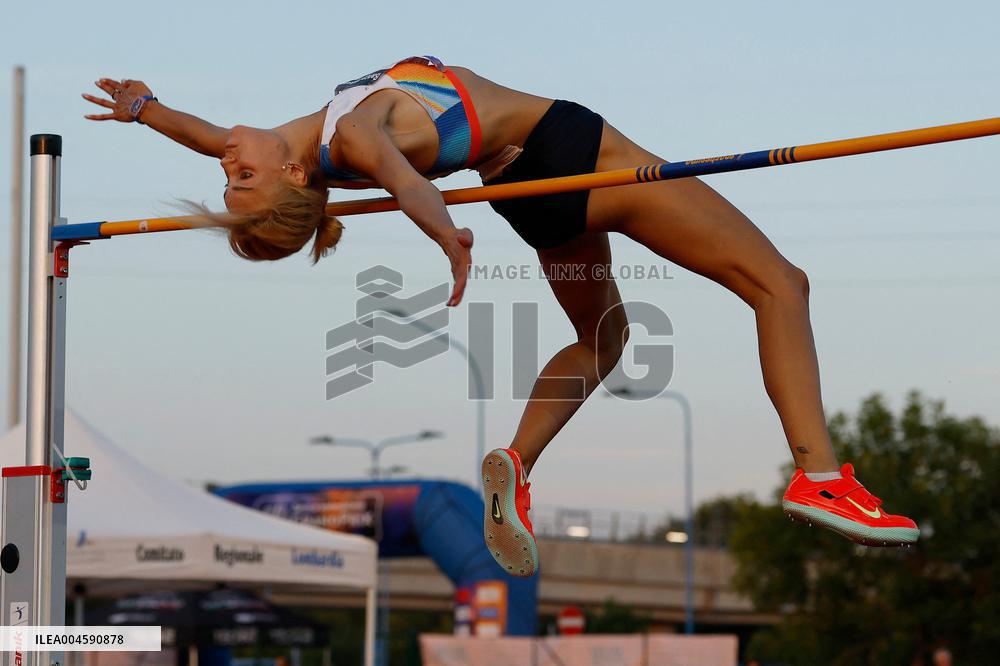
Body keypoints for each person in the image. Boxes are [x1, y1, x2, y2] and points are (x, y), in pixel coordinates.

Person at [83, 55, 919, 577]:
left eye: (231, 173)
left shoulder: (299, 144)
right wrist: (447, 236)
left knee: (602, 338)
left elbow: (204, 134)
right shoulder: (350, 135)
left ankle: (517, 465)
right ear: (296, 179)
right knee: (780, 283)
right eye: (242, 179)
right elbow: (411, 184)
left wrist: (145, 110)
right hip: (570, 152)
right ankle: (820, 474)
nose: (230, 161)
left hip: (531, 193)